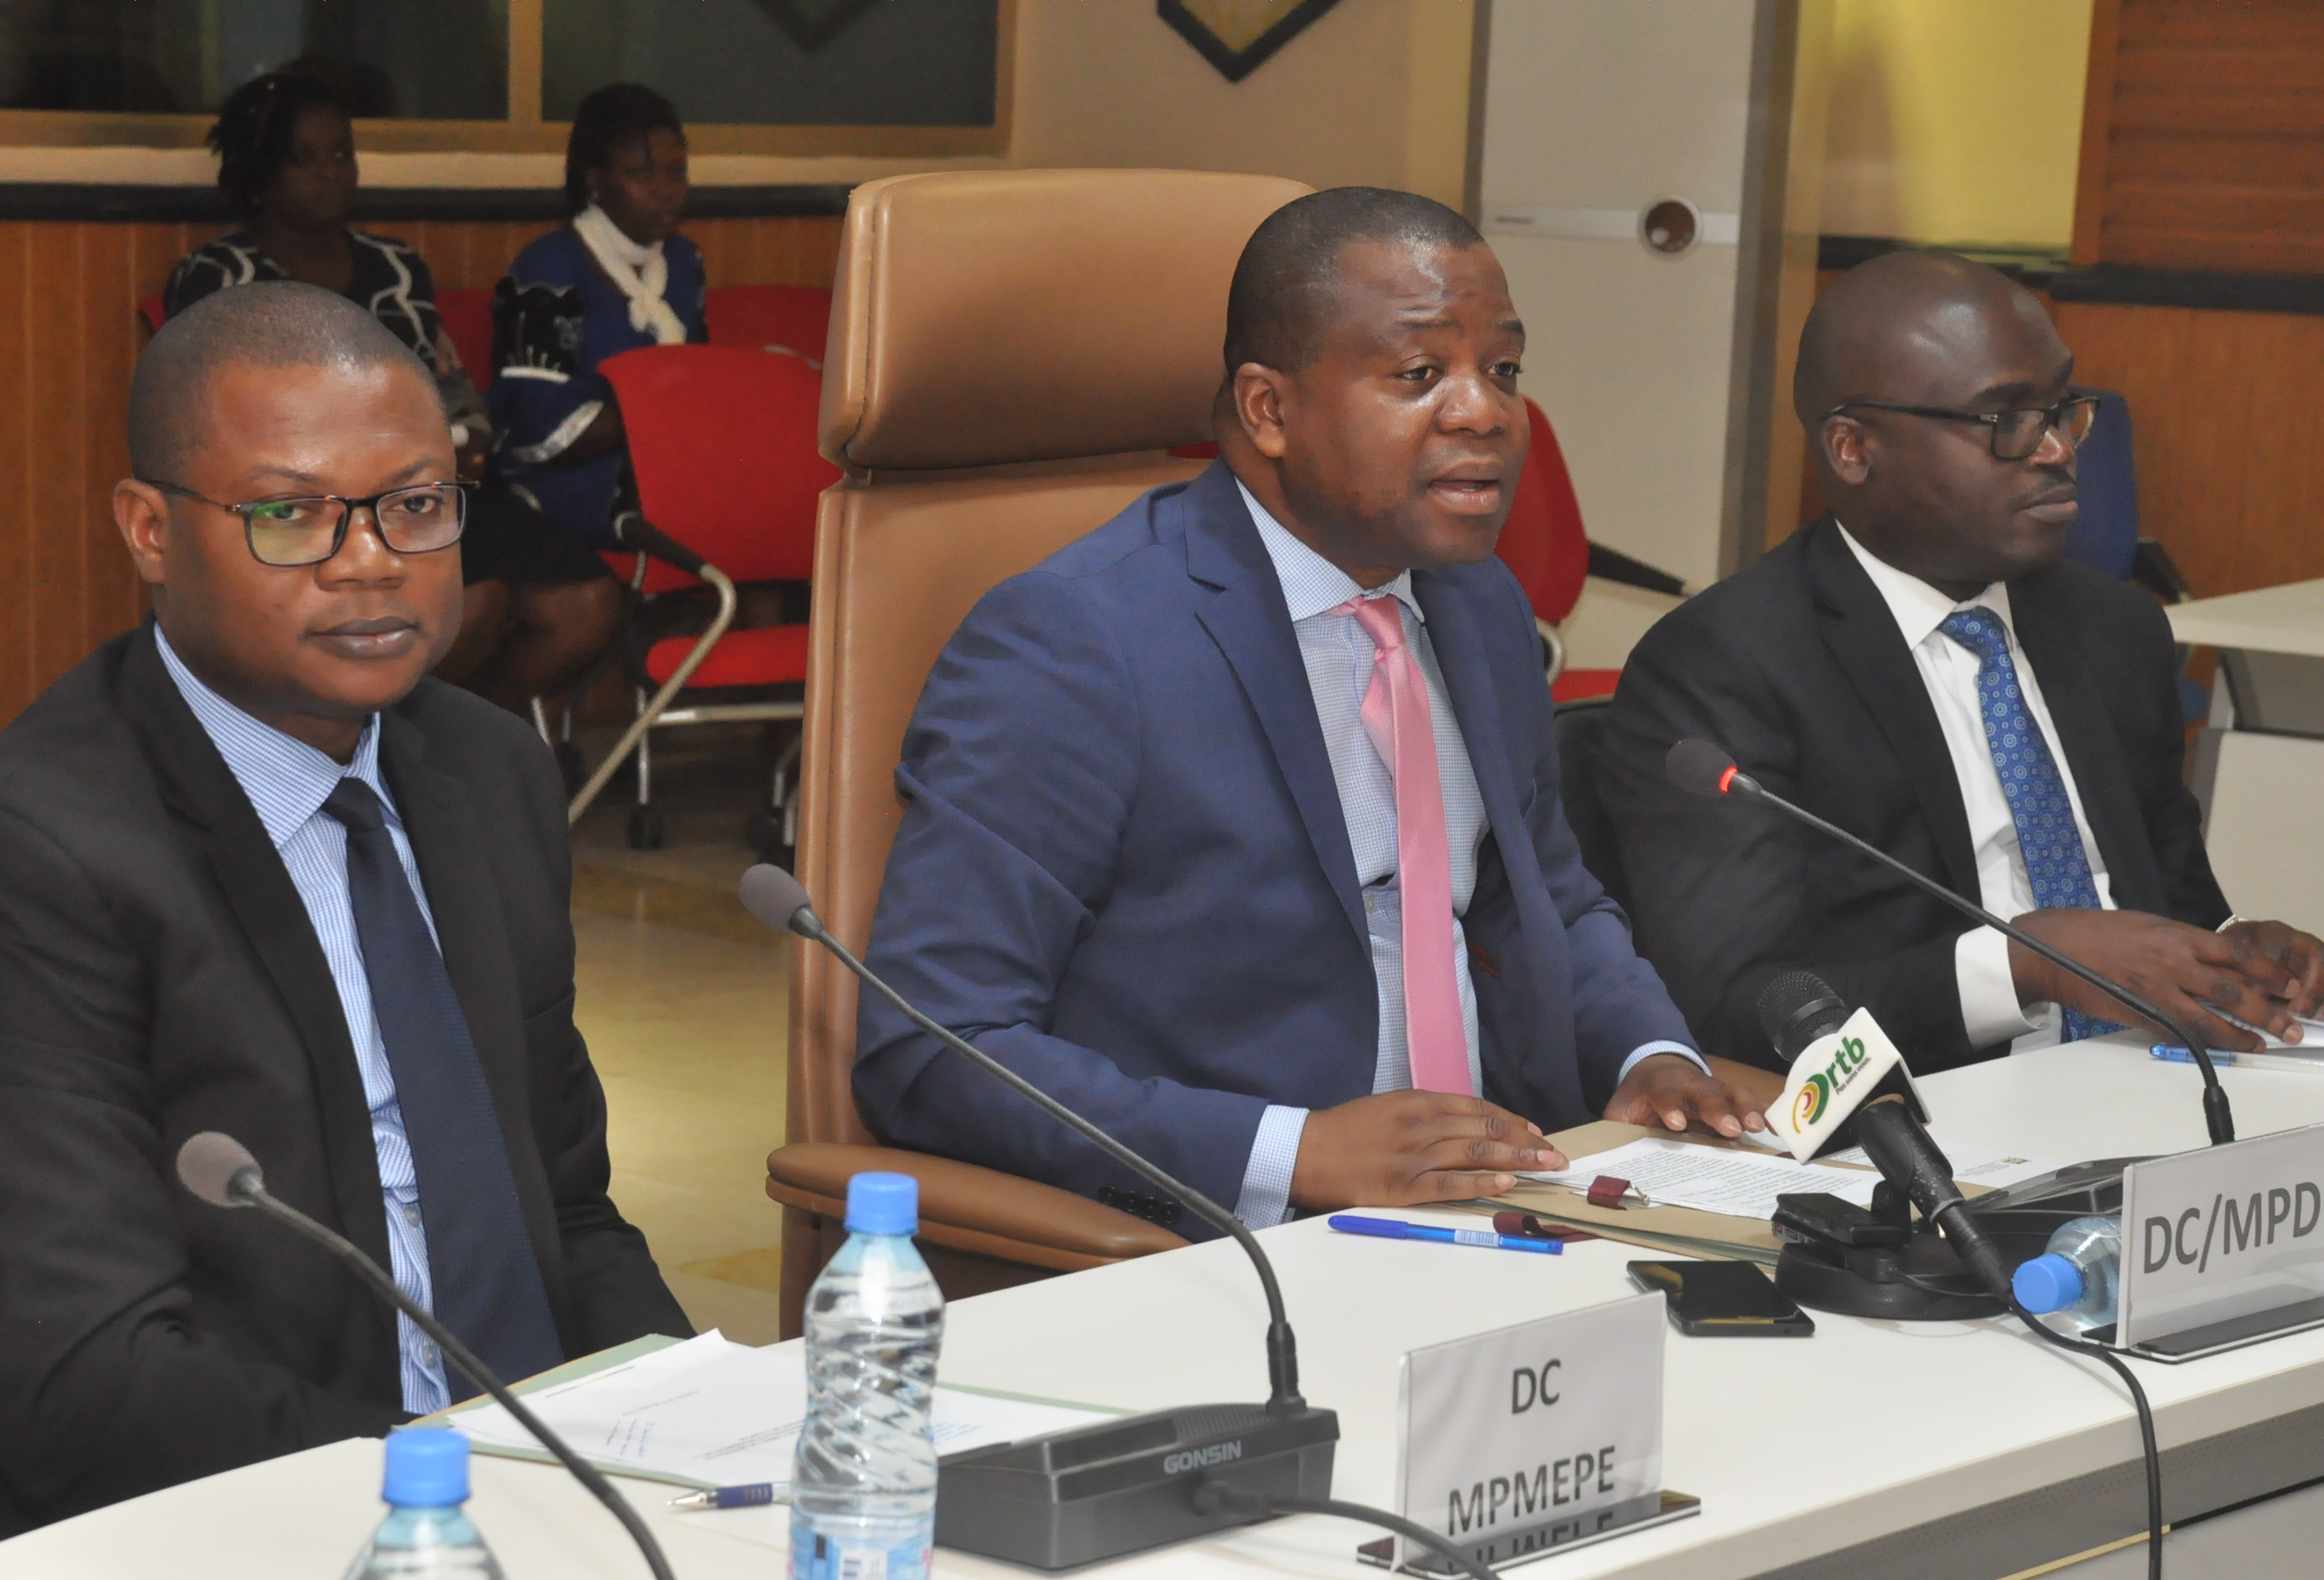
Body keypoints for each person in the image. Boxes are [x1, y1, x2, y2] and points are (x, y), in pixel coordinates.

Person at [852, 189, 1767, 1236]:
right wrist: (1293, 1153)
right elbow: (933, 1046)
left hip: (1509, 1203)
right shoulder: (1075, 643)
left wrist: (1650, 1055)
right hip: (1234, 1246)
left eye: (1504, 370)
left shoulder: (1477, 603)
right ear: (1268, 411)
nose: (1486, 413)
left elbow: (1542, 899)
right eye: (1419, 374)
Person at [0, 282, 689, 1554]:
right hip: (233, 1516)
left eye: (417, 505)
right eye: (289, 514)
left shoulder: (492, 772)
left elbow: (564, 1214)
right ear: (149, 531)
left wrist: (698, 1429)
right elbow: (83, 1372)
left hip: (523, 1496)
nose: (371, 560)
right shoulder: (31, 854)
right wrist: (449, 1501)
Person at [1601, 249, 2324, 1074]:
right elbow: (1736, 1002)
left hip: (2157, 1076)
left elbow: (2173, 902)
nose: (2055, 448)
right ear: (1852, 448)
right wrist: (2029, 963)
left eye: (2062, 410)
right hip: (1938, 1106)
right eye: (2005, 419)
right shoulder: (1726, 665)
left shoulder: (2114, 627)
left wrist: (2241, 953)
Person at [163, 68, 622, 744]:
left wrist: (468, 438)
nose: (331, 173)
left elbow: (442, 380)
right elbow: (214, 424)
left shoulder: (396, 268)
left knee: (585, 605)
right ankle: (368, 757)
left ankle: (457, 755)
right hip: (311, 510)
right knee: (474, 606)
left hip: (421, 493)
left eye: (341, 154)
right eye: (305, 159)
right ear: (260, 174)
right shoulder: (220, 277)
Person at [489, 82, 706, 553]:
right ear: (595, 179)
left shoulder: (684, 261)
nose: (666, 191)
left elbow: (703, 382)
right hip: (563, 477)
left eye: (677, 172)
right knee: (716, 502)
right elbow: (540, 431)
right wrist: (666, 410)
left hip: (664, 461)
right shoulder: (547, 271)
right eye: (642, 174)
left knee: (765, 489)